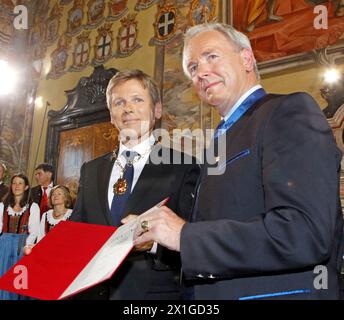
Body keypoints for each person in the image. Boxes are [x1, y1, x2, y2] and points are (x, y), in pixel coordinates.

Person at [133, 23, 344, 300]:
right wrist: (157, 239)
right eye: (193, 68)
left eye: (211, 56)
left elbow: (304, 233)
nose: (202, 72)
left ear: (246, 58)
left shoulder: (288, 111)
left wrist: (184, 235)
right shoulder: (219, 141)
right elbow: (224, 228)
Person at [71, 69, 199, 299]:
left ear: (157, 110)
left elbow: (197, 240)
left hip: (151, 295)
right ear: (111, 115)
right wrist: (47, 255)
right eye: (119, 102)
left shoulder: (183, 167)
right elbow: (76, 233)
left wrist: (153, 244)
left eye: (137, 100)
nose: (128, 108)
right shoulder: (91, 170)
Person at [0, 173, 40, 300]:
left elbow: (34, 231)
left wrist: (26, 245)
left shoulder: (32, 207)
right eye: (14, 183)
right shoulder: (2, 205)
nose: (16, 186)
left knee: (19, 280)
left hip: (22, 244)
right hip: (4, 245)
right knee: (4, 276)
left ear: (26, 187)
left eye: (20, 183)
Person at [24, 185, 73, 255]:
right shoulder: (46, 215)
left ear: (66, 197)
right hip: (46, 252)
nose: (55, 196)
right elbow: (41, 237)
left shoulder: (71, 214)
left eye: (59, 194)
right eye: (53, 194)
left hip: (64, 252)